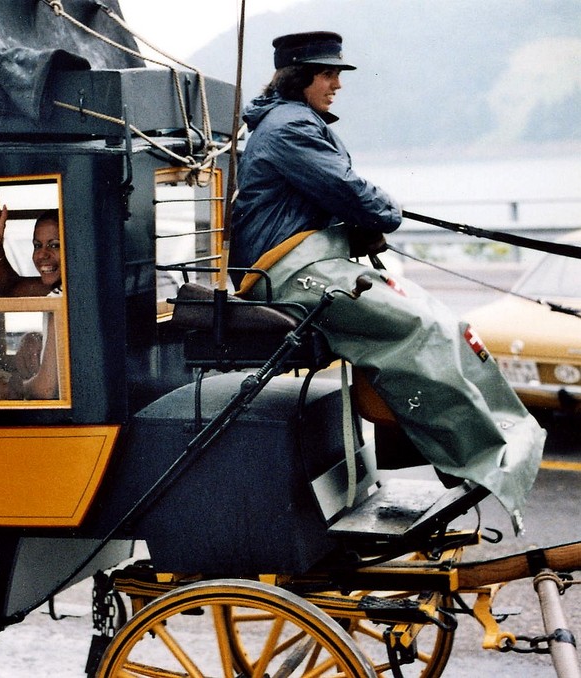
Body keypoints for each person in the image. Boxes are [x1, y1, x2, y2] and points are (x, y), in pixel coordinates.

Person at [229, 32, 544, 531]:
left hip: (308, 263)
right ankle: (475, 459)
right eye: (327, 73)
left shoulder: (290, 122)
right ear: (299, 76)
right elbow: (350, 191)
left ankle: (475, 452)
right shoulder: (290, 127)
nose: (336, 84)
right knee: (422, 330)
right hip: (291, 272)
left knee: (445, 322)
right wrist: (384, 209)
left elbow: (332, 195)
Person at [0, 197, 62, 399]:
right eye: (37, 245)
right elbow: (10, 289)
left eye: (54, 245)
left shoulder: (62, 298)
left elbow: (46, 388)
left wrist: (14, 388)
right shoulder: (60, 289)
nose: (42, 254)